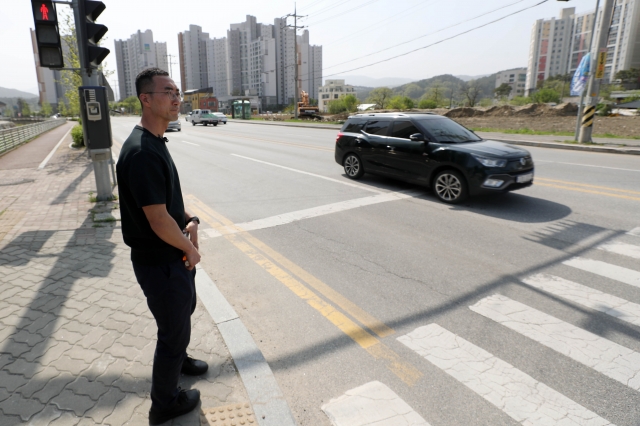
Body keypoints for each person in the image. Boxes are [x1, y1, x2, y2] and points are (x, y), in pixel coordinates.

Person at [116, 67, 207, 425]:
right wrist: (191, 249)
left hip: (171, 256)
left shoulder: (154, 142)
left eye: (177, 92)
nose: (176, 98)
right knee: (172, 332)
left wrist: (191, 219)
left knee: (180, 318)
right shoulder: (141, 151)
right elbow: (156, 219)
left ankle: (179, 362)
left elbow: (167, 203)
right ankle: (164, 404)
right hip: (161, 262)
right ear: (146, 99)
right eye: (167, 92)